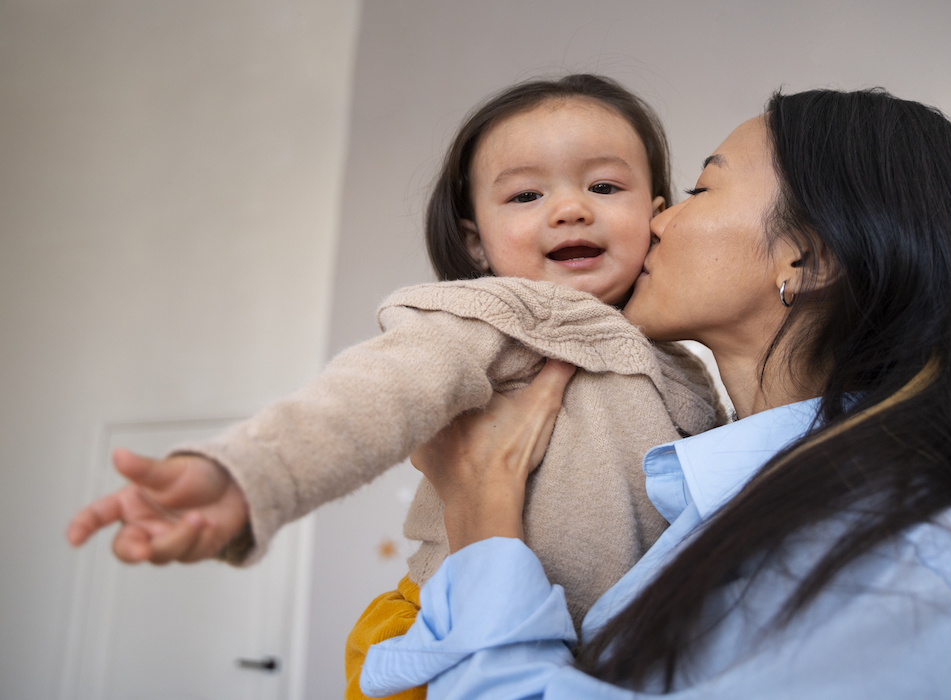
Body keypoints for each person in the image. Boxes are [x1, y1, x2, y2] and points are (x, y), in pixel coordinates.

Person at [358, 89, 951, 699]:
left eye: (700, 191)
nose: (659, 220)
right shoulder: (730, 503)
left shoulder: (895, 556)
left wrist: (484, 522)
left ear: (806, 261)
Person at [64, 75, 727, 700]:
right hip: (458, 642)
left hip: (614, 665)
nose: (571, 209)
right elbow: (370, 397)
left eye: (606, 186)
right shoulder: (491, 322)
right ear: (476, 243)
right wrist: (247, 477)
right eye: (526, 195)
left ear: (658, 216)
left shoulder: (690, 371)